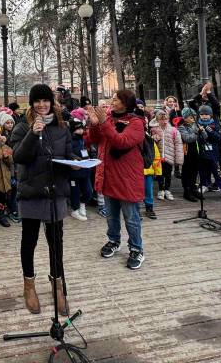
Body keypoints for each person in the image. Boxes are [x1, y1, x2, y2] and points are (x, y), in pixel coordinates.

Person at [10, 84, 73, 316]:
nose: (42, 105)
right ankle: (29, 285)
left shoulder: (61, 128)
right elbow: (19, 157)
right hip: (32, 193)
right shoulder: (21, 128)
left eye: (46, 100)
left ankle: (58, 285)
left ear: (52, 102)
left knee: (56, 243)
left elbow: (67, 156)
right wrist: (32, 133)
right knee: (30, 241)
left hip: (55, 193)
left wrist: (78, 163)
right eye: (37, 101)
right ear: (32, 103)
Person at [85, 89, 146, 270]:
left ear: (126, 103)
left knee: (131, 217)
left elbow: (122, 141)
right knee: (111, 216)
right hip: (109, 176)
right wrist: (95, 124)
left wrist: (104, 123)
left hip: (127, 179)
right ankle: (113, 240)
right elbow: (92, 140)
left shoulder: (136, 123)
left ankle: (136, 248)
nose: (113, 101)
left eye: (117, 99)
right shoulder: (109, 119)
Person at [197, 105, 221, 201]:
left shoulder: (214, 124)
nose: (204, 116)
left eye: (206, 114)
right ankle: (204, 185)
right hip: (202, 152)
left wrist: (207, 129)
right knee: (202, 170)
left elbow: (218, 138)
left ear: (210, 115)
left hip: (213, 153)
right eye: (202, 114)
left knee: (217, 171)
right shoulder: (197, 123)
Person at [151, 109, 184, 201]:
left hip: (169, 156)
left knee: (168, 174)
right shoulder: (154, 130)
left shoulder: (174, 130)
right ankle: (161, 189)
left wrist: (179, 159)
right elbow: (151, 143)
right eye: (161, 119)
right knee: (159, 174)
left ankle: (167, 190)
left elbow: (178, 144)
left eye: (165, 119)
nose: (163, 121)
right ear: (157, 120)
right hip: (158, 157)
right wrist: (153, 138)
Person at [68, 119, 91, 221]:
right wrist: (76, 160)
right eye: (78, 129)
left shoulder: (83, 139)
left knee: (88, 191)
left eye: (82, 128)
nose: (81, 131)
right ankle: (75, 209)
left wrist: (89, 159)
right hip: (74, 171)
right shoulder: (69, 140)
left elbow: (86, 151)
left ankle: (82, 205)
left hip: (85, 169)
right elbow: (67, 152)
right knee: (75, 192)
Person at [179, 108, 203, 202]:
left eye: (194, 116)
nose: (193, 118)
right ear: (185, 118)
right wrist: (197, 132)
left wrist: (202, 131)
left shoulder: (195, 125)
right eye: (191, 116)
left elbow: (205, 136)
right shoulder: (182, 127)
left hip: (195, 151)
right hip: (187, 152)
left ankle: (194, 188)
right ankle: (187, 190)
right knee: (187, 171)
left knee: (195, 171)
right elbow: (187, 138)